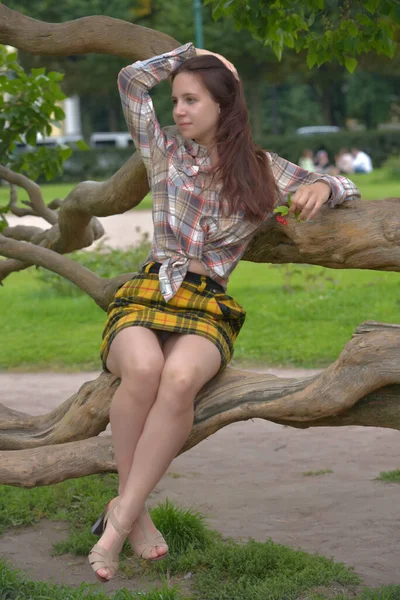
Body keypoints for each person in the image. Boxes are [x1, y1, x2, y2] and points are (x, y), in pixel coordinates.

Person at [88, 42, 361, 583]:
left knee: (182, 376)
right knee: (142, 370)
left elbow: (347, 186)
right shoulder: (163, 151)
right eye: (176, 100)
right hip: (149, 292)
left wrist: (321, 185)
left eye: (191, 100)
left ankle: (115, 522)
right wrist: (190, 53)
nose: (179, 110)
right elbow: (128, 81)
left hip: (208, 301)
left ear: (224, 106)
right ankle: (134, 517)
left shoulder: (260, 169)